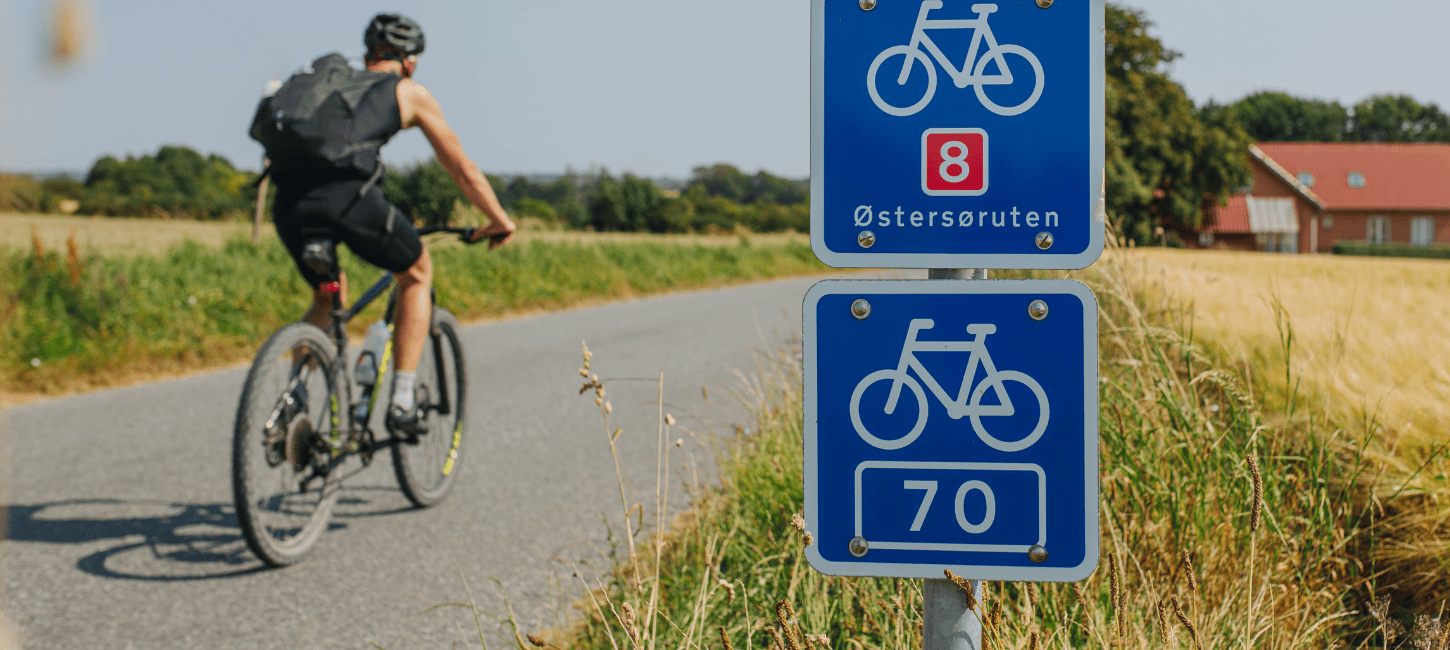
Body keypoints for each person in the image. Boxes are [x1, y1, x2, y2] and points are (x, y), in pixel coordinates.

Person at [254, 13, 516, 437]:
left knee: (328, 290)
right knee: (416, 272)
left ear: (368, 53)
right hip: (347, 200)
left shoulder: (330, 89)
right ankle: (403, 399)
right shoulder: (407, 91)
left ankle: (294, 395)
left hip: (289, 203)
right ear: (409, 61)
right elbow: (462, 169)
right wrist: (498, 219)